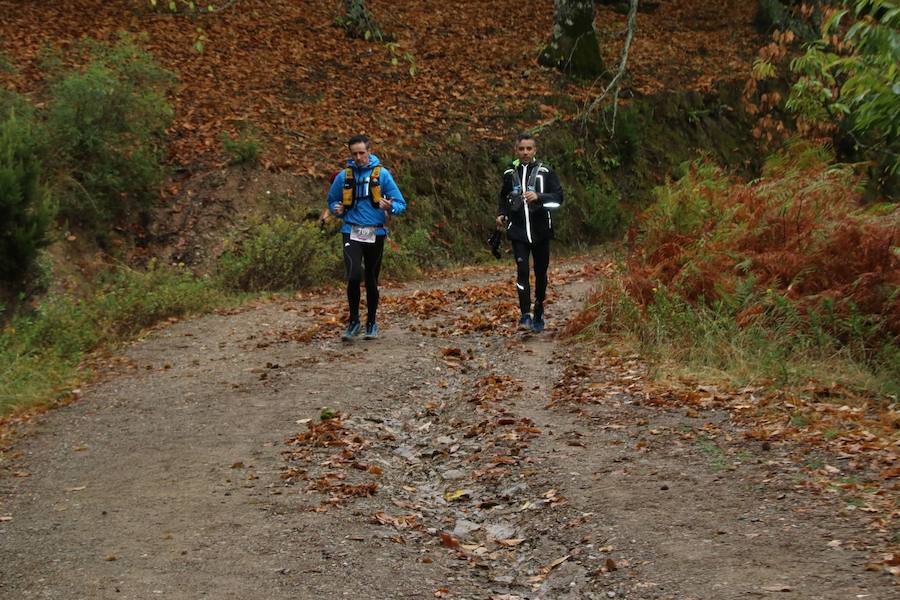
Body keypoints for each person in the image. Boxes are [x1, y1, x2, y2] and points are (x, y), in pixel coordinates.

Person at [327, 134, 406, 340]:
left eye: (362, 153)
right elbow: (332, 201)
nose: (359, 157)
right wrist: (336, 209)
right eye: (355, 154)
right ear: (350, 154)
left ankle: (371, 322)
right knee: (353, 276)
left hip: (375, 232)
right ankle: (353, 322)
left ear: (369, 151)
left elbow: (401, 204)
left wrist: (391, 207)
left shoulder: (383, 175)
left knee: (371, 279)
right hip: (351, 231)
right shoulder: (344, 176)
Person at [496, 132, 563, 333]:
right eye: (521, 149)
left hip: (541, 232)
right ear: (516, 150)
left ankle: (539, 311)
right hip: (517, 232)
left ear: (535, 150)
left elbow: (558, 199)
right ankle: (525, 315)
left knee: (541, 273)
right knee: (522, 271)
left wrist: (539, 197)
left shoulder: (546, 172)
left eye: (529, 149)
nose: (525, 152)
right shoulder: (510, 173)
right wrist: (501, 213)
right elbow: (504, 198)